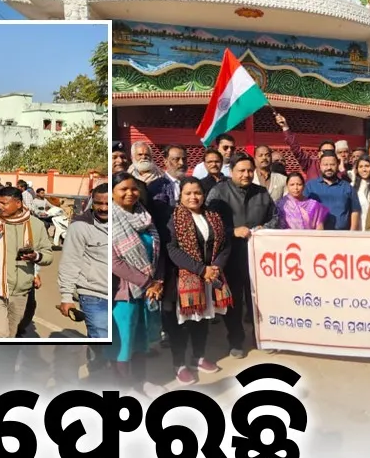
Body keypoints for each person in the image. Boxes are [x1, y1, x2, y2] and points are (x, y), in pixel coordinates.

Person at [207, 154, 278, 357]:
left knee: (259, 299)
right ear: (231, 171)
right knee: (235, 301)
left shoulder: (262, 192)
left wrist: (265, 227)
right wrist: (232, 230)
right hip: (230, 257)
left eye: (249, 170)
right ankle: (236, 340)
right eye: (241, 170)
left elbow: (275, 217)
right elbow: (210, 224)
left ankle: (261, 337)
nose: (246, 174)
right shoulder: (218, 192)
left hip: (259, 257)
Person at [165, 177, 232, 385]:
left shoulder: (212, 216)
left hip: (210, 276)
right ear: (180, 196)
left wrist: (216, 268)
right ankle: (179, 364)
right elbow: (171, 249)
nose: (193, 197)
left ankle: (198, 357)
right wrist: (201, 269)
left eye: (197, 193)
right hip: (185, 279)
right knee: (183, 325)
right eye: (188, 193)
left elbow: (225, 245)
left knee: (202, 320)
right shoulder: (173, 219)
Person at [0, 185, 53, 338]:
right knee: (1, 333)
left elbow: (48, 255)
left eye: (4, 203)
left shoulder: (36, 225)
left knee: (11, 334)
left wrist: (36, 256)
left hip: (20, 289)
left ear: (18, 203)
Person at [110, 173, 165, 390]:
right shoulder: (109, 219)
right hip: (125, 293)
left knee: (141, 340)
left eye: (134, 189)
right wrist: (147, 282)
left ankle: (141, 382)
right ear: (113, 192)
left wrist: (158, 281)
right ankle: (123, 389)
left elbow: (158, 251)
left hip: (148, 290)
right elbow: (113, 262)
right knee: (123, 344)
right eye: (123, 189)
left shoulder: (144, 215)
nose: (130, 193)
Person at [58, 183, 111, 342]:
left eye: (108, 203)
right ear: (91, 202)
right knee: (103, 344)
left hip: (123, 297)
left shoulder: (125, 224)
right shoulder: (80, 226)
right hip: (94, 296)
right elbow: (70, 262)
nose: (103, 208)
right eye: (98, 203)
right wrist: (66, 297)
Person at [304, 152, 360, 231]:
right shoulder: (310, 186)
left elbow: (355, 211)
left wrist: (352, 233)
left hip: (342, 236)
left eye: (332, 164)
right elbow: (302, 209)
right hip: (316, 235)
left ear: (337, 165)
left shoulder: (347, 187)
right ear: (320, 166)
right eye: (325, 165)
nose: (329, 167)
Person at [350, 156, 370, 230]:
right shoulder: (352, 186)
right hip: (358, 227)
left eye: (367, 166)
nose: (364, 169)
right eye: (361, 167)